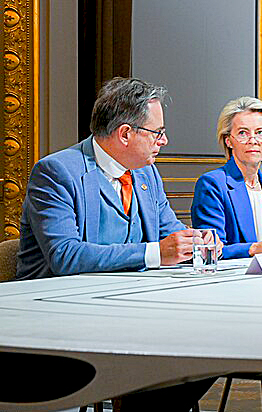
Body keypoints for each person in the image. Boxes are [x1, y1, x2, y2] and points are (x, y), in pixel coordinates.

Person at [16, 77, 216, 410]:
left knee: (206, 344)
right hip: (61, 318)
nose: (164, 141)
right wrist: (156, 252)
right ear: (125, 133)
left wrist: (195, 241)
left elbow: (170, 231)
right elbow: (65, 256)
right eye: (157, 132)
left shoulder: (146, 173)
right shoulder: (56, 173)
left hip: (130, 311)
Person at [191, 97, 262, 258]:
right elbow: (210, 250)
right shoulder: (213, 184)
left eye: (260, 132)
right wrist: (253, 249)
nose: (253, 141)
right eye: (243, 133)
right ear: (228, 141)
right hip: (236, 272)